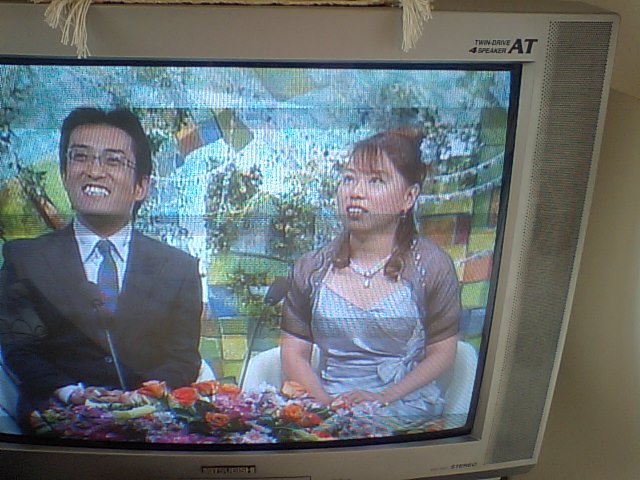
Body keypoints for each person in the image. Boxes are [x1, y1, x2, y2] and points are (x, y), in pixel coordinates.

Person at [0, 107, 203, 427]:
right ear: (65, 174)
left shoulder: (179, 269)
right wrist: (71, 393)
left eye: (113, 160)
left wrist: (138, 399)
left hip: (149, 426)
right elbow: (20, 348)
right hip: (56, 425)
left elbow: (183, 359)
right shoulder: (24, 259)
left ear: (141, 187)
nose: (94, 171)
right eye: (80, 157)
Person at [280, 127, 461, 426]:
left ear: (409, 197)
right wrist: (327, 407)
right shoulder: (310, 268)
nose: (355, 192)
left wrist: (383, 397)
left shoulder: (432, 266)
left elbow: (443, 353)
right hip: (327, 406)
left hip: (402, 406)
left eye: (376, 180)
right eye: (349, 178)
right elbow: (293, 352)